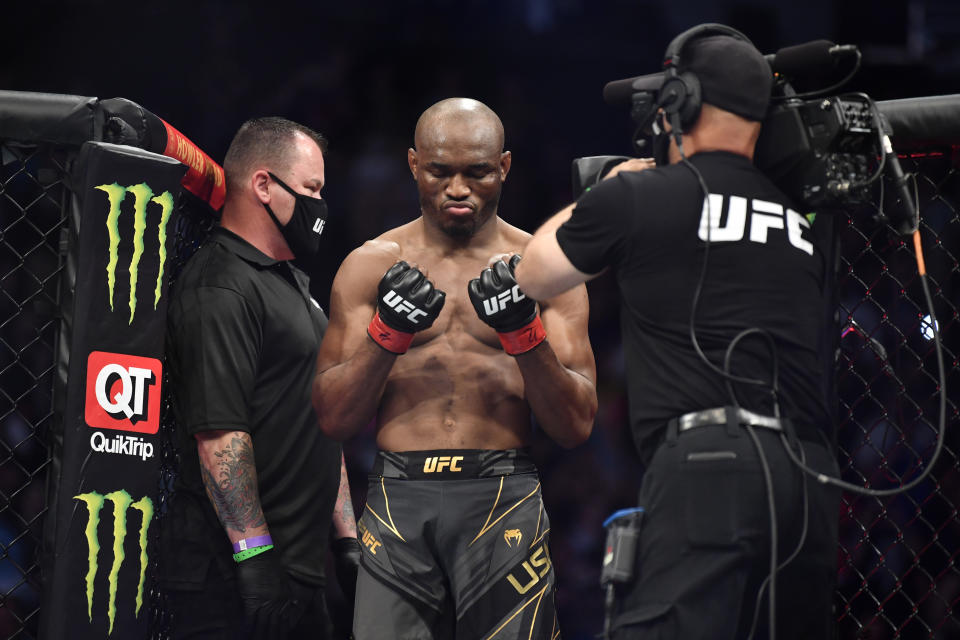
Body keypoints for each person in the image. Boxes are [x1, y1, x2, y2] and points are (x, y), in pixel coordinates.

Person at [515, 26, 841, 640]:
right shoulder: (804, 217)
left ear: (680, 103)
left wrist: (612, 185)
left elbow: (536, 272)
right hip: (811, 475)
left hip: (709, 462)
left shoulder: (642, 194)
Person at [313, 98, 598, 638]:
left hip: (502, 495)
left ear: (505, 166)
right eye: (441, 171)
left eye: (478, 172)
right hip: (399, 496)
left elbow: (575, 424)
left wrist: (523, 334)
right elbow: (333, 418)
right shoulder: (370, 264)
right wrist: (387, 334)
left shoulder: (546, 267)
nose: (459, 189)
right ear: (415, 164)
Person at [161, 117, 360, 639]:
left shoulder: (291, 283)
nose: (319, 205)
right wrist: (254, 552)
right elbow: (219, 431)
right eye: (311, 189)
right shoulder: (221, 286)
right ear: (264, 185)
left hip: (299, 569)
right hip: (227, 576)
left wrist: (347, 540)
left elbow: (316, 415)